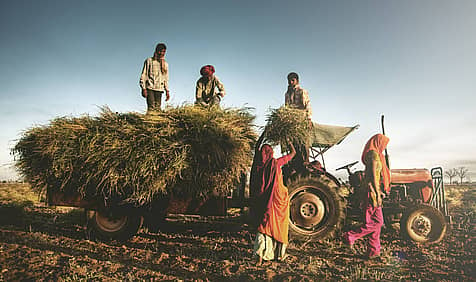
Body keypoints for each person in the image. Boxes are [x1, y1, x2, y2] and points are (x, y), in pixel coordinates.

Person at [343, 133, 390, 260]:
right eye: (383, 144)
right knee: (378, 223)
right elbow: (374, 176)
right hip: (372, 193)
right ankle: (351, 235)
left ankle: (373, 251)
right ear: (378, 142)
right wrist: (378, 192)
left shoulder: (372, 154)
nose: (384, 146)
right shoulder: (374, 155)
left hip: (370, 191)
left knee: (374, 223)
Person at [250, 135, 296, 265]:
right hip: (279, 199)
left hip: (265, 202)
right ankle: (279, 255)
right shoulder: (276, 163)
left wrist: (264, 134)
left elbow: (257, 148)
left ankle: (260, 255)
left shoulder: (258, 165)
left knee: (264, 226)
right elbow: (293, 154)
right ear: (271, 153)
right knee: (279, 225)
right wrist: (288, 140)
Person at [284, 72, 312, 173]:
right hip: (292, 123)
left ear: (297, 81)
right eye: (289, 80)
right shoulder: (287, 94)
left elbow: (307, 105)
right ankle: (295, 162)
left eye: (293, 80)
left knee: (303, 142)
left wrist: (308, 119)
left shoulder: (301, 91)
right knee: (293, 142)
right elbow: (286, 108)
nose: (291, 82)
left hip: (301, 120)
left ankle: (305, 162)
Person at [139, 43, 170, 113]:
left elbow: (166, 78)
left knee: (158, 108)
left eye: (164, 52)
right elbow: (144, 75)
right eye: (160, 51)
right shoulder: (149, 61)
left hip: (159, 89)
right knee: (151, 107)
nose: (162, 53)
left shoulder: (165, 64)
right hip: (150, 88)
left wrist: (167, 91)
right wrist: (143, 88)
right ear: (157, 51)